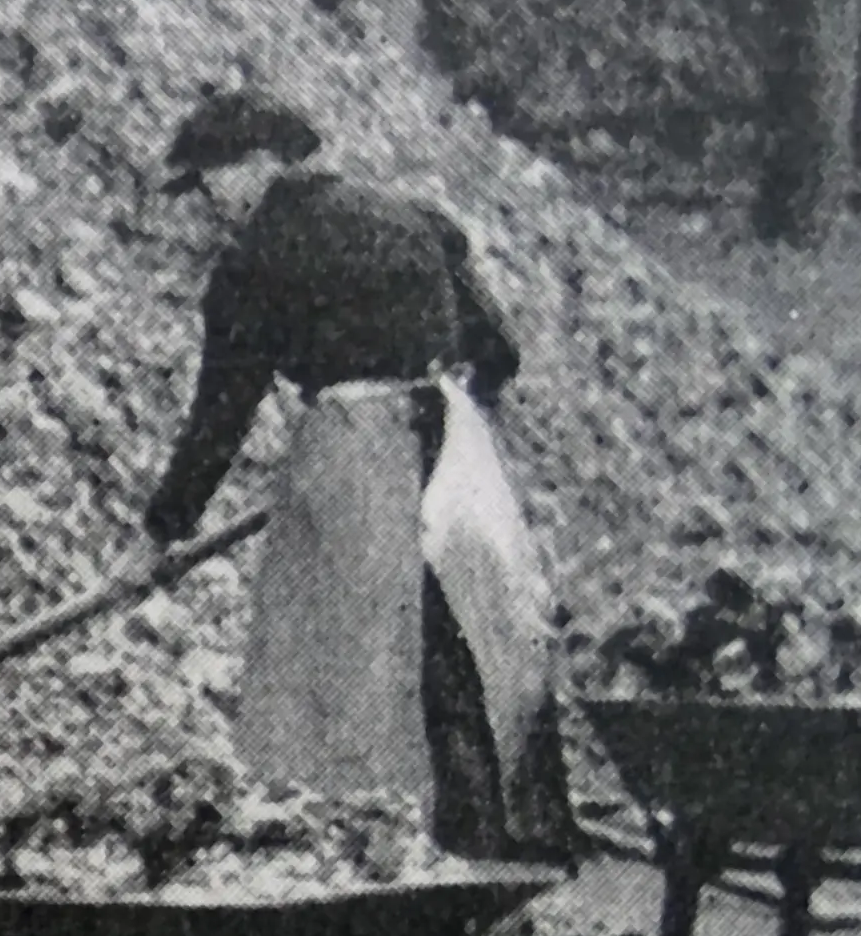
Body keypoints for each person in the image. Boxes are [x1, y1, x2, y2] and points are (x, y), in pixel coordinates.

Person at [120, 89, 571, 862]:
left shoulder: (253, 263)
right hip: (457, 455)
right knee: (467, 645)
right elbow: (497, 348)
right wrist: (442, 400)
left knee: (349, 662)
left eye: (212, 181)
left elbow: (220, 415)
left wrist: (158, 534)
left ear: (262, 163)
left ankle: (365, 852)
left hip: (353, 457)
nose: (210, 205)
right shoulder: (413, 219)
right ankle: (496, 851)